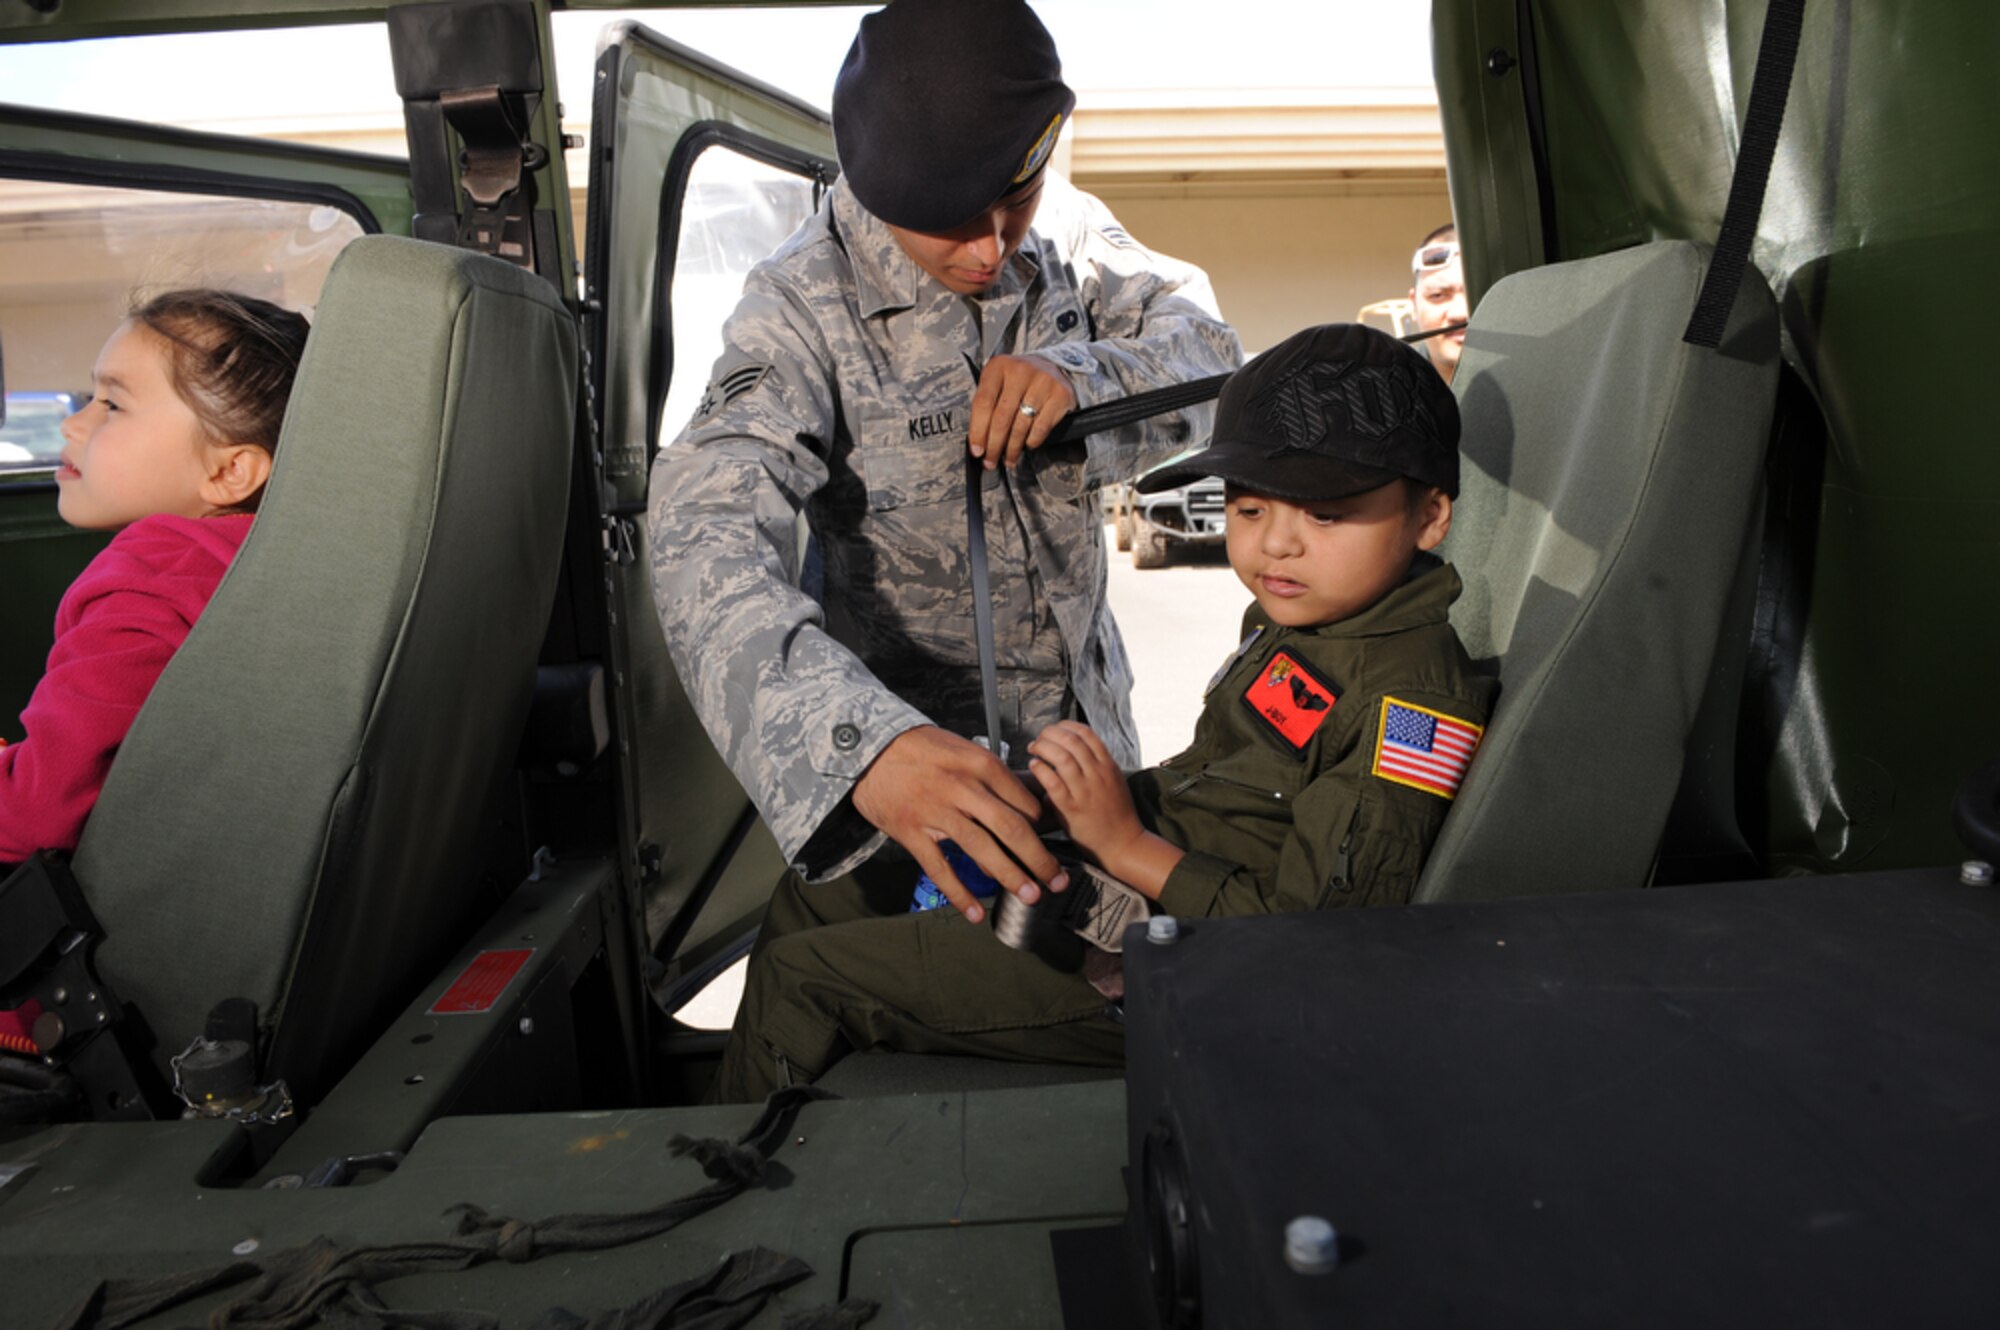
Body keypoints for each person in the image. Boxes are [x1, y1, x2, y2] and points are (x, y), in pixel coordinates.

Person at [706, 322, 1500, 1101]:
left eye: (1325, 515)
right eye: (1249, 509)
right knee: (831, 879)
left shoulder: (1411, 706)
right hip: (1144, 883)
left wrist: (1122, 843)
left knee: (803, 979)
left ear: (1430, 517)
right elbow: (1225, 789)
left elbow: (1312, 944)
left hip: (1202, 972)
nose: (1274, 547)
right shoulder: (1310, 624)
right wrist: (1080, 809)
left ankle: (726, 1190)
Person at [648, 0, 1242, 926]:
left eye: (1015, 199)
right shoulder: (801, 304)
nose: (989, 249)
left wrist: (1090, 380)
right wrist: (864, 748)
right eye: (950, 222)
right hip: (924, 805)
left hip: (1096, 766)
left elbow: (1213, 354)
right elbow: (701, 530)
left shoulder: (1069, 243)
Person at [0, 290, 309, 865]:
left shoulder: (151, 581)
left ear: (229, 471)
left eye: (112, 406)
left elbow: (38, 809)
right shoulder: (280, 556)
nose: (72, 423)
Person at [1410, 222, 1469, 385]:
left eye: (1476, 296)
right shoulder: (1387, 399)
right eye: (1438, 295)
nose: (1460, 313)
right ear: (1414, 304)